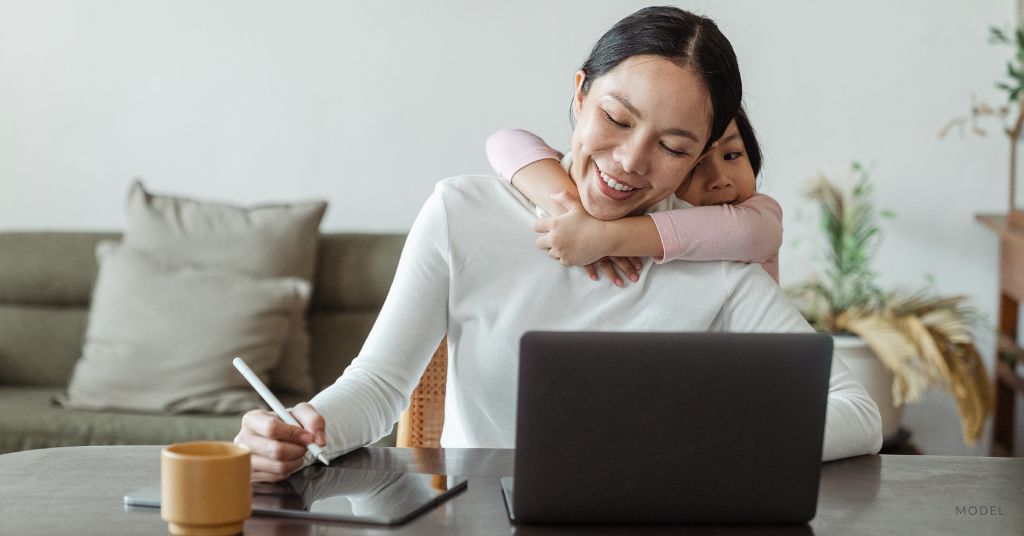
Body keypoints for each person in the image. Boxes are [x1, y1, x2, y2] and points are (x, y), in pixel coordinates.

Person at [235, 6, 883, 482]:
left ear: (701, 157)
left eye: (673, 146)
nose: (630, 161)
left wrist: (713, 441)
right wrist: (298, 429)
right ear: (579, 95)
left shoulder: (715, 262)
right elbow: (377, 388)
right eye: (616, 119)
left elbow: (858, 412)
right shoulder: (464, 214)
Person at [485, 107, 782, 285]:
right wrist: (571, 212)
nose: (720, 180)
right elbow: (506, 141)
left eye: (733, 155)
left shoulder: (758, 214)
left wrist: (604, 236)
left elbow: (747, 234)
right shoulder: (646, 204)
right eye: (694, 165)